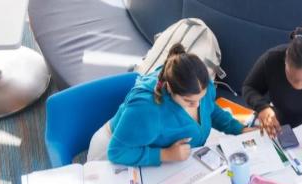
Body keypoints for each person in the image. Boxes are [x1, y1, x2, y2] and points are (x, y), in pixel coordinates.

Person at [88, 44, 255, 167]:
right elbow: (117, 152)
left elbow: (210, 110)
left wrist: (238, 129)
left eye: (201, 97)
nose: (197, 105)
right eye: (189, 101)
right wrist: (165, 154)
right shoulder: (146, 109)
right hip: (115, 153)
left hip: (166, 157)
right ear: (169, 88)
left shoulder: (201, 87)